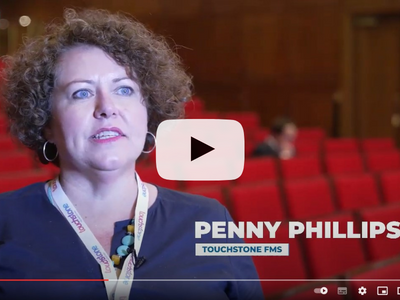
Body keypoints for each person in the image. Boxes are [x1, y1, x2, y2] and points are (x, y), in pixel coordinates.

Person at [0, 8, 263, 300]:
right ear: (46, 122)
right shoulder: (5, 221)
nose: (107, 107)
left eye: (124, 90)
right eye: (81, 93)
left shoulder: (210, 220)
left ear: (147, 112)